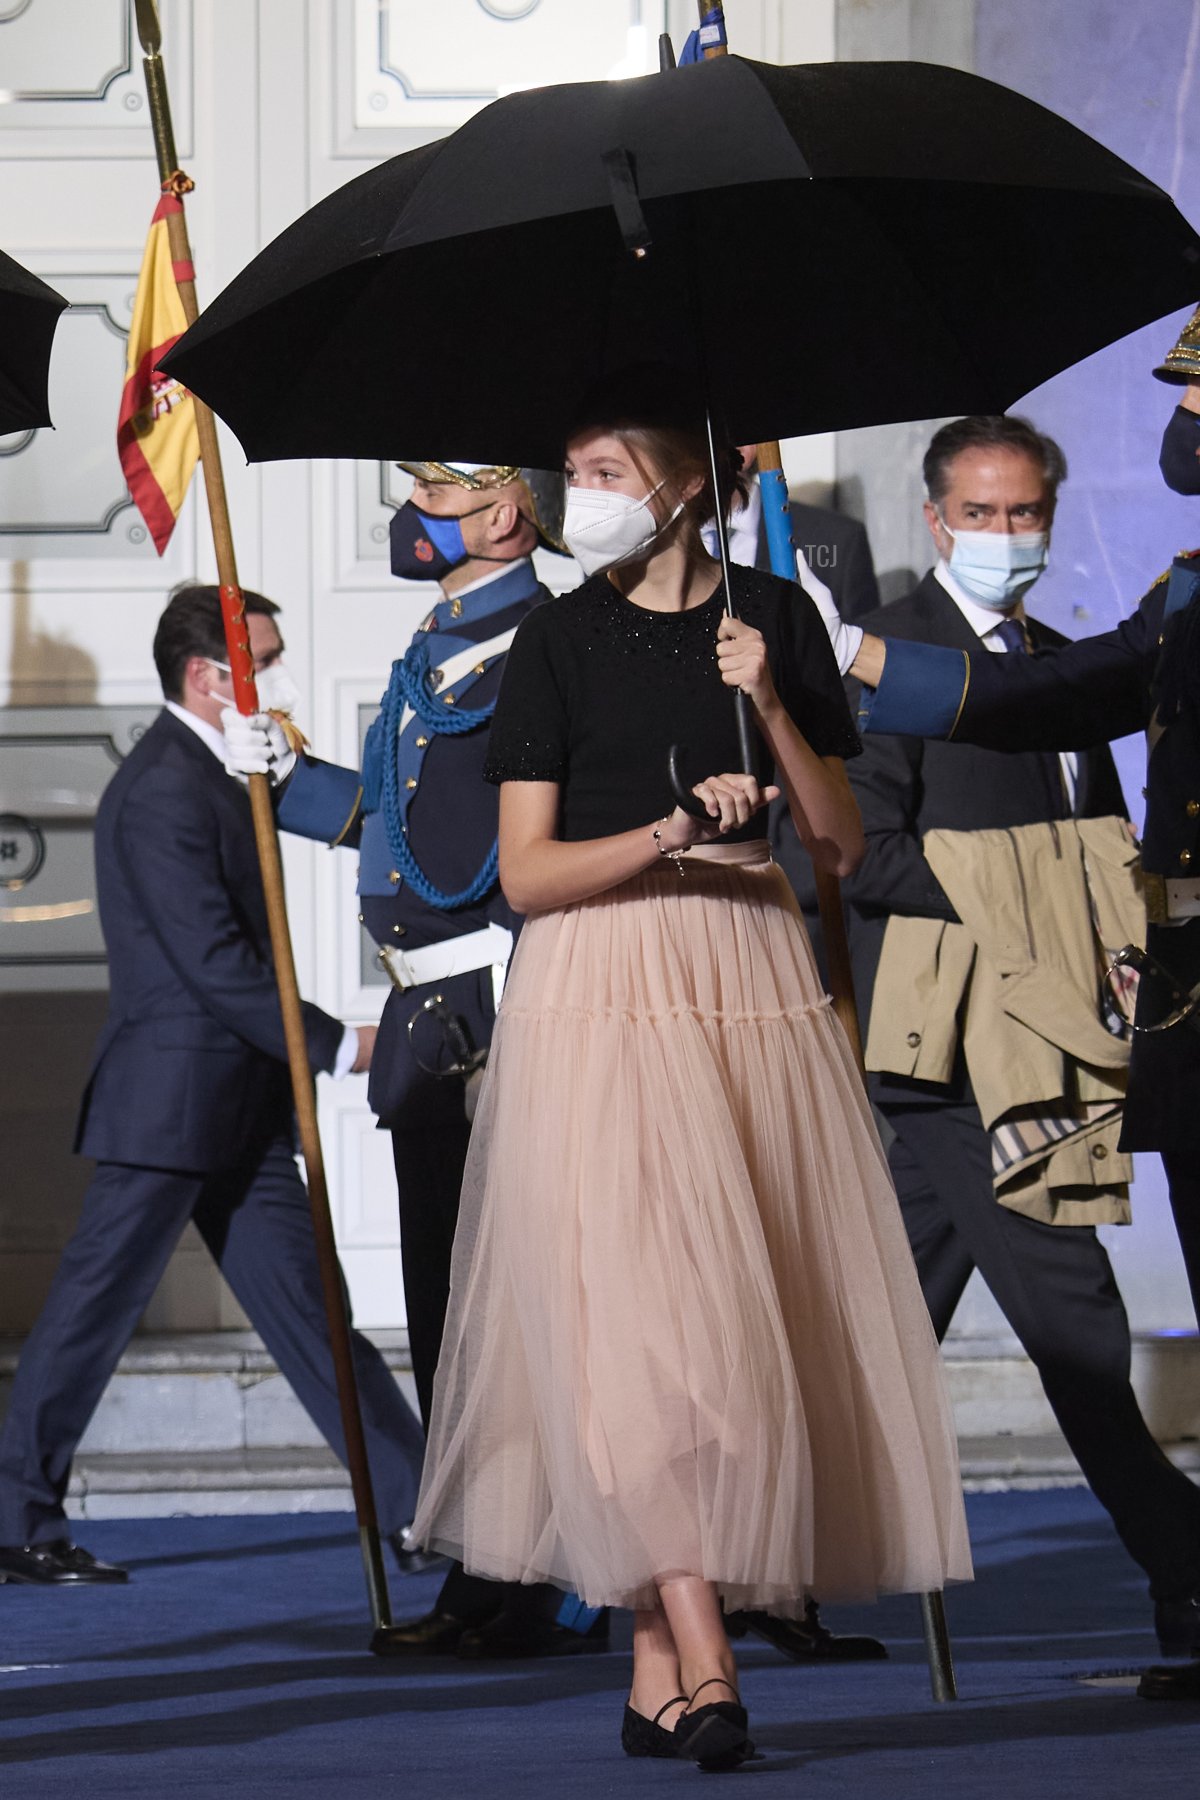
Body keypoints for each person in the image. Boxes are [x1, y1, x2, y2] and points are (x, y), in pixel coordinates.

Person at [408, 371, 972, 1771]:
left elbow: (837, 843)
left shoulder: (770, 617)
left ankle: (658, 1677)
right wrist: (669, 828)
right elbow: (527, 877)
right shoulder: (556, 634)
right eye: (577, 472)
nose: (582, 496)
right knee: (640, 1339)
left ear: (680, 482)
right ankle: (709, 1664)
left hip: (750, 978)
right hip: (602, 989)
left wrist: (769, 701)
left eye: (607, 471)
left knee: (731, 1338)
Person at [836, 351, 1200, 1701]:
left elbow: (1101, 841)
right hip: (952, 1045)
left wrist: (1112, 944)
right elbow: (864, 855)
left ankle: (732, 1572)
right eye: (980, 514)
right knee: (1075, 1317)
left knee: (869, 1329)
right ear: (936, 520)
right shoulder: (884, 657)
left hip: (1054, 1040)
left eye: (1025, 512)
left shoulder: (1067, 662)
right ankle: (1187, 1566)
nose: (1005, 534)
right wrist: (1041, 906)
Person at [226, 462, 605, 1660]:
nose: (414, 512)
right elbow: (408, 827)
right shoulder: (436, 649)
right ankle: (483, 1567)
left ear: (507, 512)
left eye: (441, 488)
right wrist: (291, 783)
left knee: (525, 1317)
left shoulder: (548, 642)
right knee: (444, 1312)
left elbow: (515, 847)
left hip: (508, 1006)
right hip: (432, 1021)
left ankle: (558, 1577)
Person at [0, 584, 426, 1585]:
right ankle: (15, 1518)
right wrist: (336, 1044)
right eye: (262, 662)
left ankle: (421, 1511)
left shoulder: (220, 770)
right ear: (206, 676)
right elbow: (212, 961)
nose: (278, 680)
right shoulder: (164, 786)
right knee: (88, 1318)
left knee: (317, 1317)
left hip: (236, 1108)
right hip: (172, 1102)